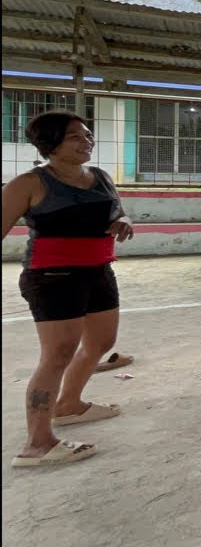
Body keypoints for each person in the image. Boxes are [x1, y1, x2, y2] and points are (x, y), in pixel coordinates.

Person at [1, 111, 134, 467]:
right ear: (51, 143)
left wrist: (122, 220)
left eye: (88, 135)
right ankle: (37, 444)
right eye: (75, 136)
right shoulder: (29, 183)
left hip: (98, 271)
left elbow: (117, 211)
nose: (86, 141)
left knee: (101, 343)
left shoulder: (101, 176)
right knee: (58, 353)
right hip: (52, 276)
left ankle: (69, 405)